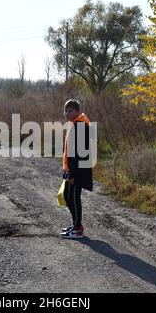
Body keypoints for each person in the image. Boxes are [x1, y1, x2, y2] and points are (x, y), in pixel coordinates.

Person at [60, 99, 93, 239]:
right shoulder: (74, 125)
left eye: (71, 110)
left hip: (78, 170)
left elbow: (79, 154)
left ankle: (78, 228)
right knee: (67, 196)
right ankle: (75, 224)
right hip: (73, 169)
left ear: (77, 112)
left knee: (73, 197)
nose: (67, 113)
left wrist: (72, 173)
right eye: (66, 110)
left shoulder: (80, 126)